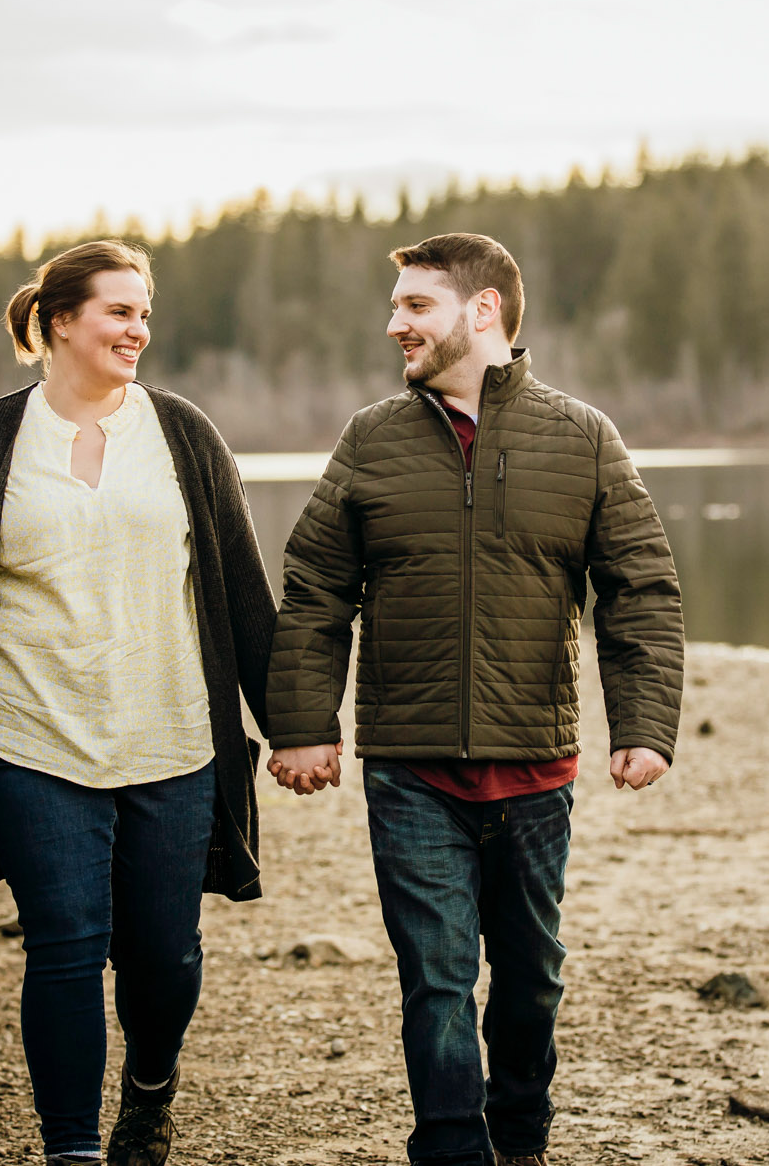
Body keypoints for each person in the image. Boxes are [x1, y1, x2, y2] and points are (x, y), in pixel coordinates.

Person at [0, 240, 275, 1166]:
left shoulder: (184, 436)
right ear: (59, 320)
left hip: (173, 738)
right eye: (120, 311)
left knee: (163, 957)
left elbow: (241, 588)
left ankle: (150, 1087)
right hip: (27, 736)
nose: (138, 328)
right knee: (66, 949)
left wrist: (298, 728)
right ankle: (72, 1151)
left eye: (144, 311)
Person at [265, 232, 684, 1166]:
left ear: (482, 310)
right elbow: (315, 588)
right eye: (396, 303)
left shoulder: (581, 438)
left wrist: (644, 725)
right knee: (438, 978)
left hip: (535, 766)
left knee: (530, 979)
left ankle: (522, 1139)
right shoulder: (371, 440)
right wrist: (302, 724)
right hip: (410, 768)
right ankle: (453, 1150)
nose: (394, 322)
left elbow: (641, 586)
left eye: (416, 305)